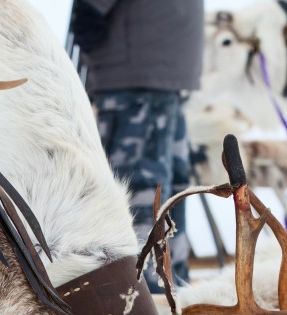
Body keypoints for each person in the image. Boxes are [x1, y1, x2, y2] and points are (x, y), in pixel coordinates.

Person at [71, 0, 204, 290]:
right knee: (166, 194)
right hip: (164, 56)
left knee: (137, 193)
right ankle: (172, 300)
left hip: (136, 60)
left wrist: (91, 7)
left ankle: (143, 305)